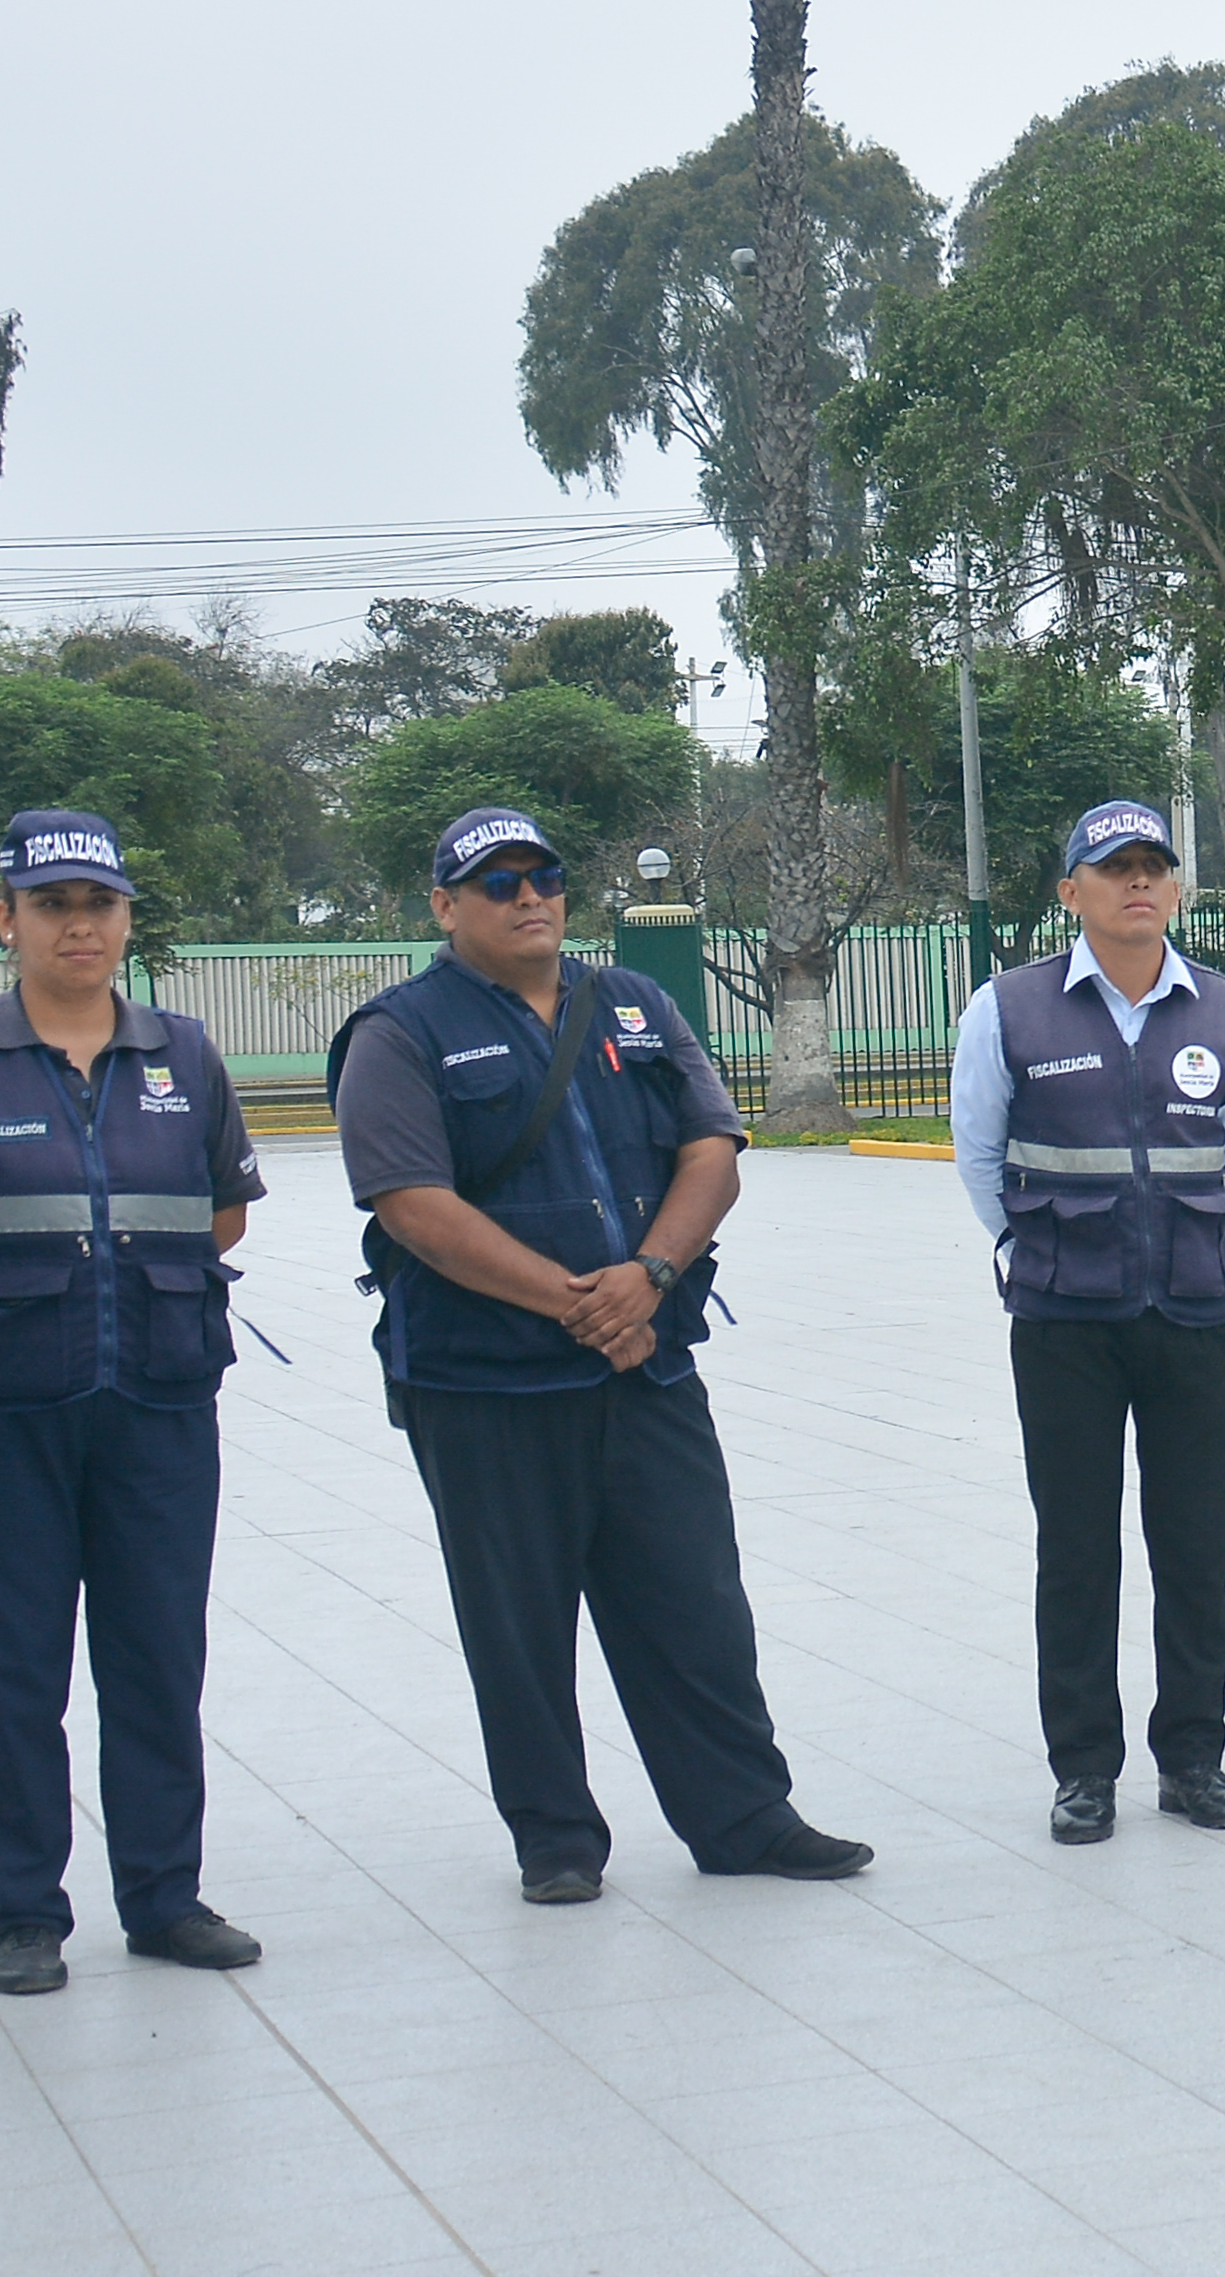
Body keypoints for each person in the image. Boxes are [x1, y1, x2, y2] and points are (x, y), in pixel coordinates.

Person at [330, 804, 870, 1900]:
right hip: (483, 1382)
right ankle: (557, 1839)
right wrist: (577, 1302)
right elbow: (409, 1205)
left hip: (648, 1363)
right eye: (497, 883)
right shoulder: (400, 1033)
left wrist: (650, 1279)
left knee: (696, 1602)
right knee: (516, 1619)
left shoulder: (634, 1002)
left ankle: (743, 1819)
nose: (528, 896)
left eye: (545, 876)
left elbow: (711, 1148)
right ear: (445, 907)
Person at [0, 809, 272, 1992]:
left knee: (157, 1657)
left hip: (159, 1402)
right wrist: (5, 1295)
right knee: (7, 1667)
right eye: (54, 905)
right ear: (5, 919)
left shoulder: (185, 1055)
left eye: (101, 905)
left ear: (126, 920)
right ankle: (23, 1911)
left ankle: (164, 1900)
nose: (80, 925)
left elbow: (223, 1210)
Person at [952, 800, 1225, 1842]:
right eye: (1113, 867)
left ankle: (1194, 1759)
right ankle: (1083, 1769)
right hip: (1062, 1320)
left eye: (1153, 867)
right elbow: (980, 1160)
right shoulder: (1007, 1010)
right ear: (1068, 891)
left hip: (1192, 1311)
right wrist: (1038, 1250)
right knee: (1076, 1550)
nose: (1137, 883)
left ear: (1175, 887)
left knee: (1193, 1546)